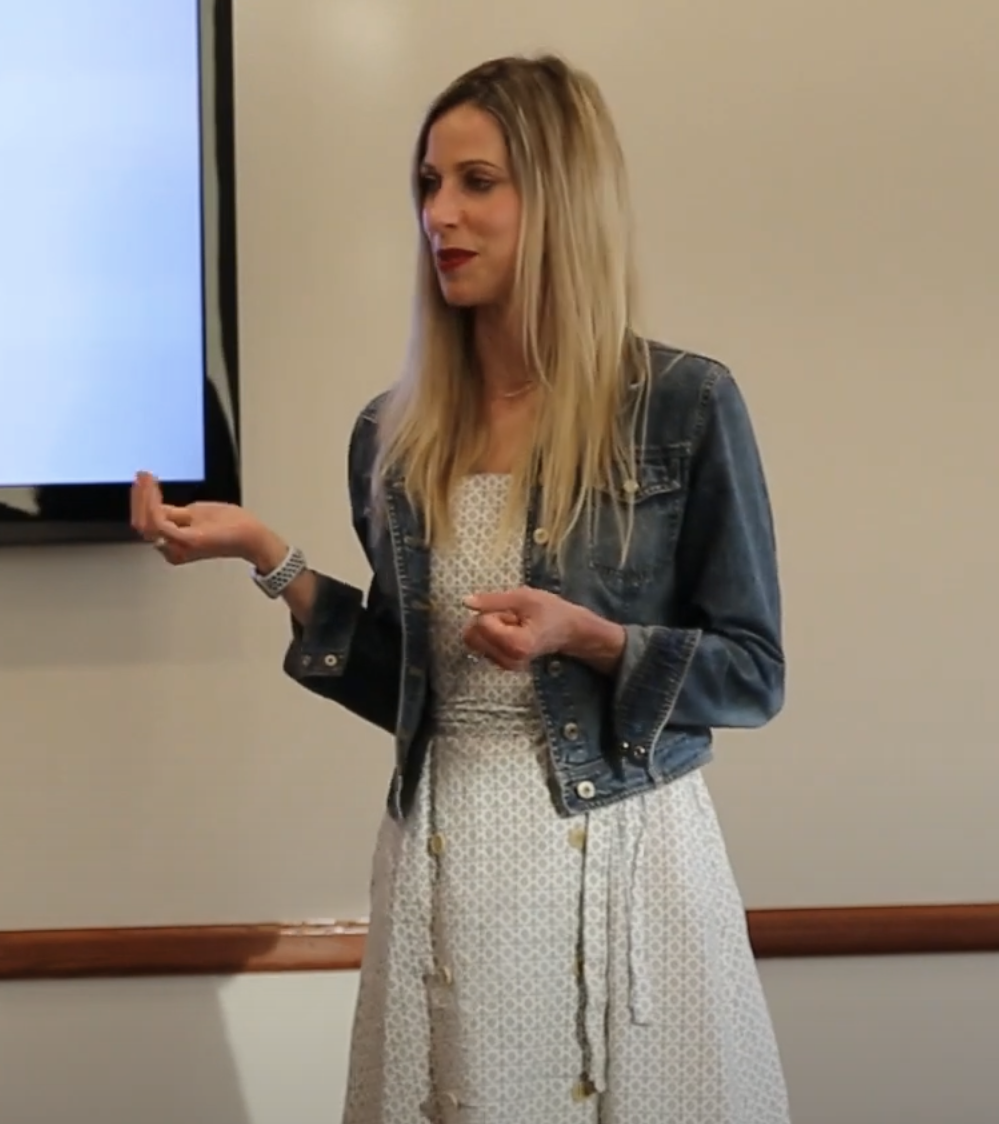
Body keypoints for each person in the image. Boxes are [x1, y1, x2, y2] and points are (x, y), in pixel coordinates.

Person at [131, 55, 792, 1124]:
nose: (440, 214)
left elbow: (752, 677)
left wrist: (591, 638)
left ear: (559, 197)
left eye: (475, 182)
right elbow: (412, 683)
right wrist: (271, 559)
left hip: (626, 863)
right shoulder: (392, 437)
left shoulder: (681, 404)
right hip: (450, 854)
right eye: (426, 186)